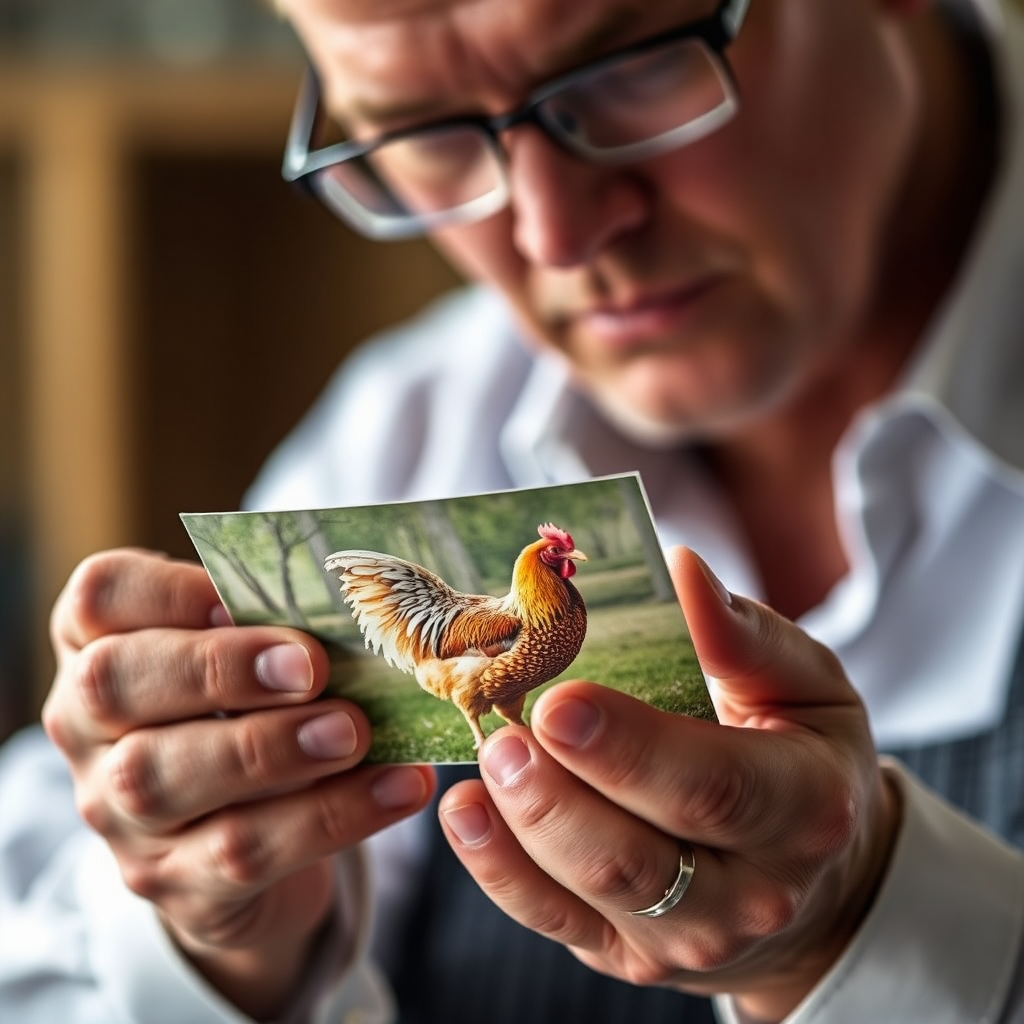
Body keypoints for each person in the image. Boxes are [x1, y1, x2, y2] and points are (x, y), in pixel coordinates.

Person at [2, 0, 1024, 1020]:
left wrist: (880, 942)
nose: (558, 232)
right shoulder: (406, 437)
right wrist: (221, 942)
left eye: (633, 67)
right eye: (423, 135)